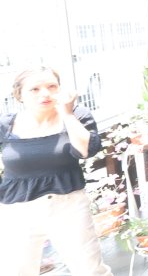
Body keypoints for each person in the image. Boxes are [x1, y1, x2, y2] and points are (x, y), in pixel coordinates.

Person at [0, 67, 112, 276]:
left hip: (68, 204)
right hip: (18, 209)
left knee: (90, 270)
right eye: (35, 89)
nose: (45, 93)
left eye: (52, 86)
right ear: (19, 95)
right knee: (16, 271)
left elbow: (85, 151)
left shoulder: (77, 115)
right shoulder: (6, 125)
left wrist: (67, 114)